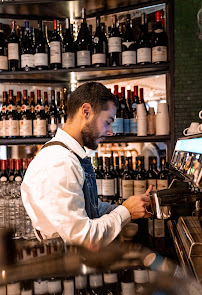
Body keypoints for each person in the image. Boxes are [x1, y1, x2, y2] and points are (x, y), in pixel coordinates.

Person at [21, 82, 152, 250]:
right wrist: (126, 212)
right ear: (86, 111)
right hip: (66, 267)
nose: (111, 131)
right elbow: (84, 238)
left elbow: (88, 206)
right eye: (108, 122)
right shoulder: (59, 163)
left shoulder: (70, 154)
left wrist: (128, 206)